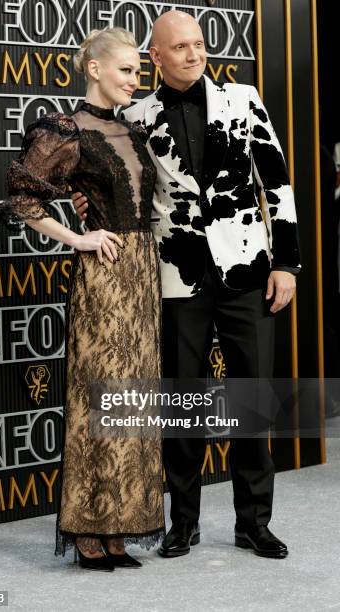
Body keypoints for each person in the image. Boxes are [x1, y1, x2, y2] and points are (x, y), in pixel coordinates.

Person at [72, 12, 301, 560]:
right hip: (175, 274)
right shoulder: (134, 114)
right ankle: (183, 522)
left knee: (251, 398)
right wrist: (86, 209)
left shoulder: (244, 99)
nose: (194, 54)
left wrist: (286, 264)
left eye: (199, 44)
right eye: (181, 47)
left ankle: (254, 522)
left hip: (248, 270)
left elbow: (278, 182)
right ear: (156, 56)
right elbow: (118, 187)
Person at [0, 27, 165, 571]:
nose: (136, 81)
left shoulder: (130, 129)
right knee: (98, 398)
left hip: (144, 275)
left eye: (138, 72)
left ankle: (118, 526)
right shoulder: (63, 129)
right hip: (104, 277)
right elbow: (21, 199)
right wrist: (78, 236)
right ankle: (89, 531)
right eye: (127, 71)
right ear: (95, 69)